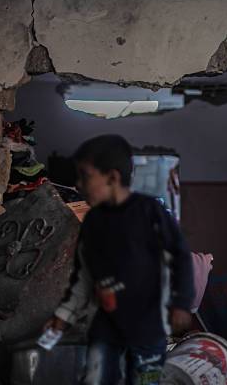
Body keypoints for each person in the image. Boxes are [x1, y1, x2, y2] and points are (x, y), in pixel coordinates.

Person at [43, 135, 195, 385]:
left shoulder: (149, 212)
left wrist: (181, 303)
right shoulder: (92, 222)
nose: (78, 185)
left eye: (86, 176)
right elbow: (83, 275)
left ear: (112, 178)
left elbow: (180, 256)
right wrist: (64, 314)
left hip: (147, 325)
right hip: (106, 325)